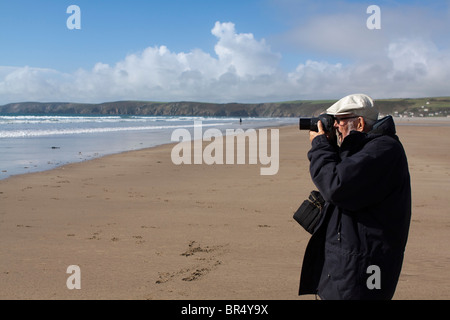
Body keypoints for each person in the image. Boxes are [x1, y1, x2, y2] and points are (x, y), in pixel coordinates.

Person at [298, 93, 412, 300]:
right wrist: (332, 145)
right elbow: (343, 176)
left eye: (339, 121)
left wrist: (320, 146)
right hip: (350, 262)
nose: (335, 127)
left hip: (364, 268)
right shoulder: (367, 149)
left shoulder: (383, 150)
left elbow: (335, 185)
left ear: (359, 123)